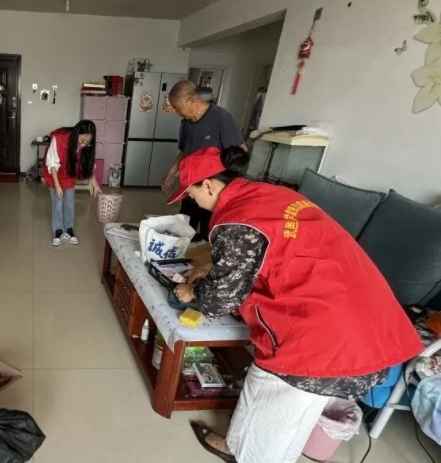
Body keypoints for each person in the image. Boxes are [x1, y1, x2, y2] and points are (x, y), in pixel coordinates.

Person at [167, 146, 423, 463]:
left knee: (271, 403)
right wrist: (214, 267)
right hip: (367, 319)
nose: (192, 200)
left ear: (208, 185)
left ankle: (248, 455)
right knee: (298, 412)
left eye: (191, 193)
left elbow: (219, 300)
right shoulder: (270, 194)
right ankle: (244, 447)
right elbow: (273, 249)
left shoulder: (236, 222)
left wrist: (191, 291)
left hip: (320, 333)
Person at [161, 80, 245, 241]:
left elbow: (240, 151)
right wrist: (171, 173)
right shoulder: (187, 122)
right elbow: (185, 150)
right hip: (191, 184)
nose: (177, 112)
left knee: (210, 229)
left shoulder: (220, 118)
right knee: (185, 225)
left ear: (192, 101)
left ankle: (205, 247)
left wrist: (223, 180)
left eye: (177, 107)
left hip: (212, 189)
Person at [42, 120, 101, 246]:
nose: (84, 141)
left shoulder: (87, 146)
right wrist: (57, 186)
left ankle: (69, 229)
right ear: (76, 133)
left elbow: (88, 167)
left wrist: (96, 186)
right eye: (82, 137)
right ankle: (58, 231)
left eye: (88, 139)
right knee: (58, 203)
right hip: (54, 175)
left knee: (69, 203)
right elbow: (52, 165)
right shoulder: (59, 139)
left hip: (68, 175)